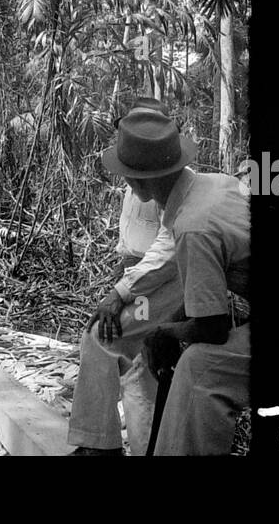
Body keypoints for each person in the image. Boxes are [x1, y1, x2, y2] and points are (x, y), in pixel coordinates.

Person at [101, 103, 250, 456]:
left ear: (138, 181)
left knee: (198, 372)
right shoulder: (216, 185)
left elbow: (212, 327)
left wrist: (163, 332)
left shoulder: (192, 225)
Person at [68, 98, 184, 457]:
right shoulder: (134, 186)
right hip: (140, 277)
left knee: (102, 337)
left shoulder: (173, 190)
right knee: (136, 364)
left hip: (164, 285)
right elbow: (130, 238)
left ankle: (99, 445)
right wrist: (122, 274)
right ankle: (140, 446)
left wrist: (123, 290)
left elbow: (167, 249)